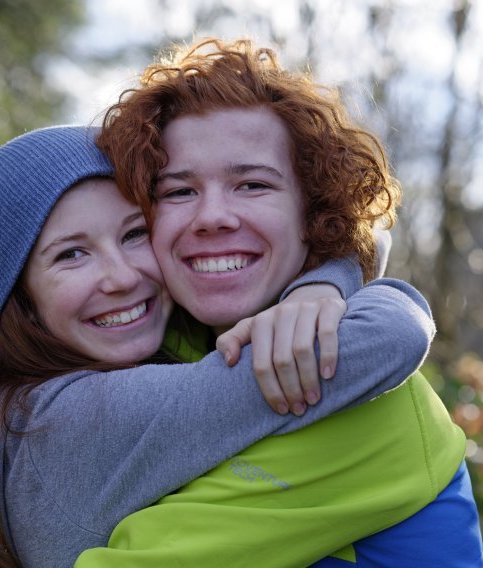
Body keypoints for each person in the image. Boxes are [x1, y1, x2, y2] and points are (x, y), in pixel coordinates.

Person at [0, 125, 439, 568]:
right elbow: (388, 339)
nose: (120, 277)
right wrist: (330, 285)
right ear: (21, 301)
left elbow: (371, 236)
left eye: (135, 234)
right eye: (71, 255)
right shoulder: (68, 419)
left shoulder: (18, 407)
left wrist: (322, 280)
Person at [82, 37, 482, 566]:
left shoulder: (351, 385)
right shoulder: (167, 340)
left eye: (251, 185)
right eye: (178, 192)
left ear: (313, 214)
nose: (212, 217)